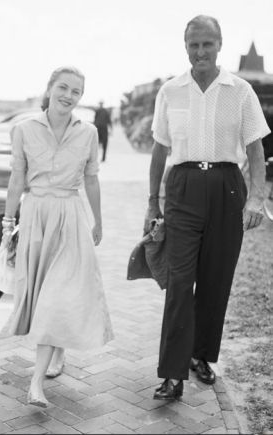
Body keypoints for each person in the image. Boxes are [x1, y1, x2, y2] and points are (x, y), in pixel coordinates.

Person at [144, 15, 270, 400]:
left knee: (216, 279)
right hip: (182, 187)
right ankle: (172, 374)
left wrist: (257, 197)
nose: (200, 51)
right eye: (194, 44)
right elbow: (160, 149)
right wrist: (153, 201)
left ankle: (202, 357)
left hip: (227, 186)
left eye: (207, 44)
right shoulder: (170, 91)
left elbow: (255, 148)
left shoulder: (241, 90)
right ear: (186, 46)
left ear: (219, 46)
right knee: (180, 282)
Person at [1, 66, 113, 408]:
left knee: (57, 294)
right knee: (46, 291)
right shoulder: (23, 129)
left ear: (81, 97)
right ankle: (57, 351)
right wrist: (8, 224)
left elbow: (91, 179)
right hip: (36, 215)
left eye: (76, 91)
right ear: (49, 89)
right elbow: (17, 178)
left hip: (70, 216)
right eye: (63, 87)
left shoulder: (89, 132)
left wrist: (98, 221)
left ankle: (35, 384)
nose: (68, 95)